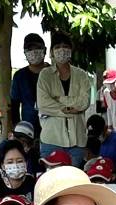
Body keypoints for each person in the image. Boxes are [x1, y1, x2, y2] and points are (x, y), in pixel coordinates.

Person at [37, 34, 91, 167]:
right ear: (51, 52)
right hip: (51, 139)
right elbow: (43, 104)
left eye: (66, 46)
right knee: (52, 178)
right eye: (57, 47)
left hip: (77, 141)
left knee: (74, 178)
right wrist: (71, 107)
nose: (62, 50)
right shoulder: (45, 75)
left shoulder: (82, 75)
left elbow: (84, 102)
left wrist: (58, 100)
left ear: (71, 50)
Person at [10, 33, 45, 137]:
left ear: (45, 50)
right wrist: (17, 128)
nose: (33, 52)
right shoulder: (19, 76)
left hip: (53, 128)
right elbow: (14, 105)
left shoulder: (53, 73)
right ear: (25, 53)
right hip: (28, 130)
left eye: (37, 48)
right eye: (30, 49)